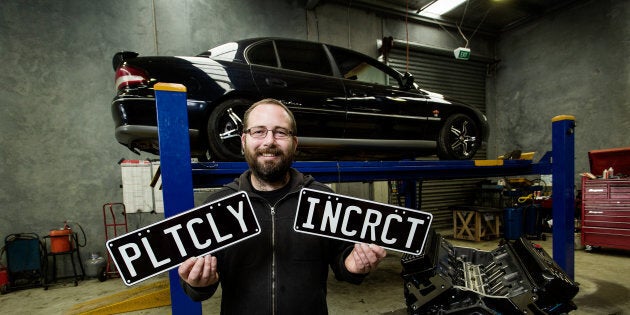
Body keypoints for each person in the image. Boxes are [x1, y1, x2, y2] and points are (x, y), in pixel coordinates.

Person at [178, 98, 387, 314]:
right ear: (243, 141)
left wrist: (353, 265)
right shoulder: (219, 206)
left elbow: (343, 260)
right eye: (258, 131)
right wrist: (197, 283)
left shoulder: (321, 200)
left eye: (281, 132)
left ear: (295, 143)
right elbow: (198, 285)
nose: (269, 141)